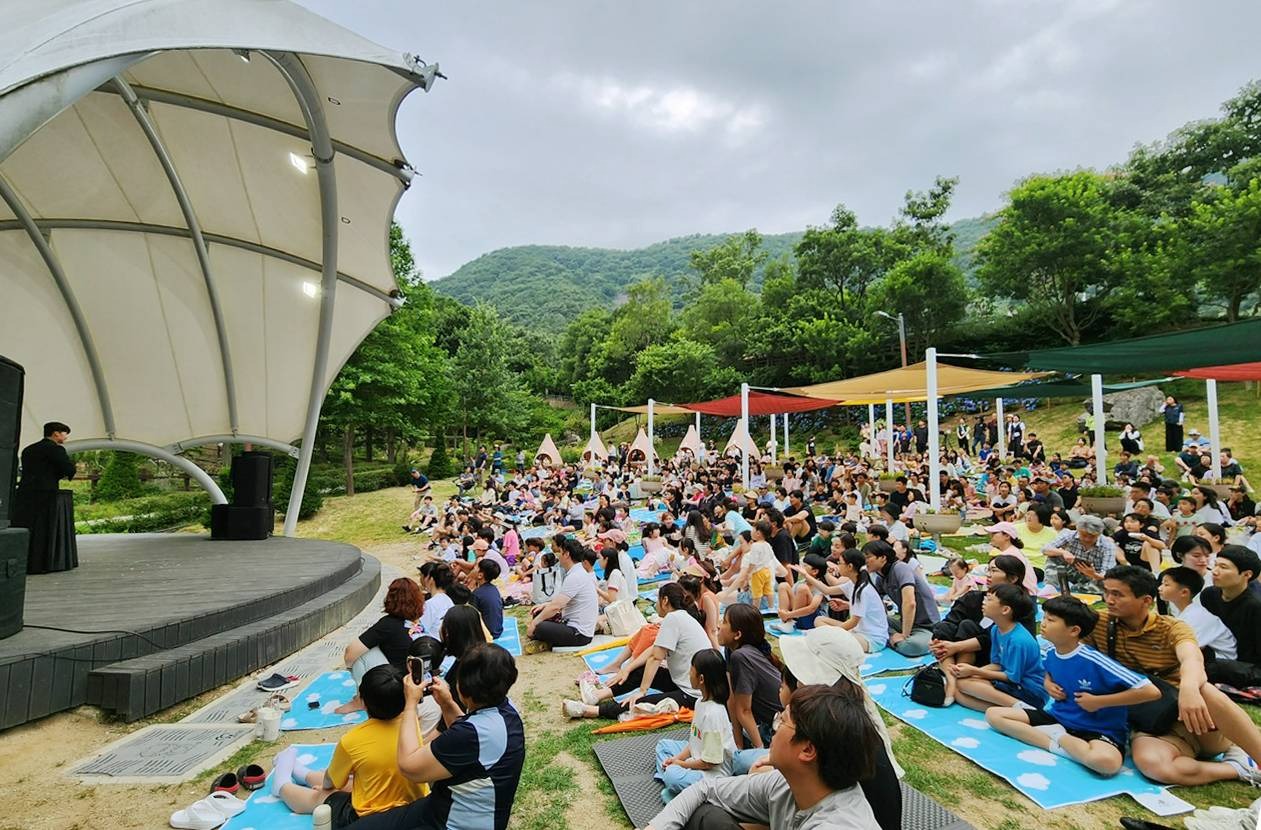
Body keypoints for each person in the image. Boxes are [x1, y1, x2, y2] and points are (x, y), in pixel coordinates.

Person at [1063, 566, 1261, 786]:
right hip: (1150, 721)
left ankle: (1254, 753)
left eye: (1118, 594)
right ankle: (1235, 768)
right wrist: (1051, 681)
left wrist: (1188, 689)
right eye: (1106, 592)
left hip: (1191, 715)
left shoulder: (1171, 627)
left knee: (1204, 689)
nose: (1109, 600)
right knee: (1154, 766)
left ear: (1146, 600)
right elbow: (1070, 654)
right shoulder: (1098, 623)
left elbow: (1192, 658)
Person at [644, 684, 882, 830]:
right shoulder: (783, 783)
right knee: (705, 816)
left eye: (783, 721)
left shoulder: (839, 824)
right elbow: (704, 790)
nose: (775, 727)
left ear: (807, 750)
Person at [353, 643, 524, 830]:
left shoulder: (470, 736)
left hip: (452, 823)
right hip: (449, 806)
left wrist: (410, 704)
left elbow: (409, 768)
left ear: (462, 687)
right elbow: (470, 740)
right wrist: (446, 702)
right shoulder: (507, 712)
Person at [985, 596, 1159, 776]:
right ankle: (1059, 743)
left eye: (1051, 620)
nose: (1043, 624)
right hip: (1059, 720)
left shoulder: (1095, 660)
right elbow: (1048, 673)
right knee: (994, 715)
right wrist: (1048, 684)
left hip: (1098, 729)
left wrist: (1099, 701)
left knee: (1106, 763)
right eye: (1044, 618)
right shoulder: (1051, 652)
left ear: (1074, 630)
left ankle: (1057, 737)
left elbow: (1151, 691)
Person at [269, 665, 428, 826]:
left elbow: (330, 781)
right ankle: (302, 772)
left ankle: (282, 784)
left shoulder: (352, 740)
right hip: (414, 808)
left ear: (363, 702)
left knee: (322, 796)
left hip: (371, 818)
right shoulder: (411, 723)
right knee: (355, 782)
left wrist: (326, 789)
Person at [564, 583, 710, 719]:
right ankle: (597, 695)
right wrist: (627, 669)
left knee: (642, 702)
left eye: (657, 600)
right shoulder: (678, 617)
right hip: (684, 682)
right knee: (641, 670)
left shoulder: (673, 618)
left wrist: (642, 691)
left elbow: (655, 658)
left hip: (693, 693)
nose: (655, 605)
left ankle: (589, 710)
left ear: (665, 600)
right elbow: (653, 650)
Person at [949, 583, 1046, 711]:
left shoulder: (1018, 640)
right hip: (1011, 683)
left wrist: (974, 671)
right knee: (959, 692)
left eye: (989, 599)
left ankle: (1020, 707)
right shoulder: (996, 629)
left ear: (1005, 610)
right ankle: (1019, 711)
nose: (983, 602)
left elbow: (1013, 677)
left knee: (964, 684)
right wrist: (969, 673)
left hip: (1030, 691)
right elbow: (998, 664)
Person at [334, 578, 425, 715]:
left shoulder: (388, 624)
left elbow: (350, 653)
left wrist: (351, 668)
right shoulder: (418, 624)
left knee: (364, 653)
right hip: (416, 684)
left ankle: (362, 699)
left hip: (395, 688)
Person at [655, 649, 738, 796]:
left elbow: (709, 763)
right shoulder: (700, 702)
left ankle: (677, 784)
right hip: (697, 757)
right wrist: (677, 759)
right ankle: (677, 783)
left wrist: (681, 764)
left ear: (701, 679)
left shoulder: (714, 714)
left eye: (691, 670)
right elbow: (694, 741)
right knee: (663, 746)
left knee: (673, 776)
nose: (688, 674)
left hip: (713, 775)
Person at [13, 421, 77, 573]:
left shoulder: (28, 450)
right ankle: (42, 563)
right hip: (46, 492)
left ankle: (24, 562)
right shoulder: (56, 449)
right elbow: (67, 468)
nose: (65, 437)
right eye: (64, 433)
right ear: (56, 433)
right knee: (44, 527)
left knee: (27, 525)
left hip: (25, 492)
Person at [718, 603, 782, 749]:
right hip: (767, 724)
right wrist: (738, 744)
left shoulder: (741, 657)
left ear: (737, 634)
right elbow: (732, 700)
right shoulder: (732, 650)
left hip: (782, 728)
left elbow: (744, 710)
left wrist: (758, 751)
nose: (719, 626)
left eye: (724, 622)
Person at [864, 539, 939, 657]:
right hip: (904, 623)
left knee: (913, 646)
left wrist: (904, 634)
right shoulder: (881, 577)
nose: (865, 561)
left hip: (926, 626)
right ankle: (892, 638)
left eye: (868, 557)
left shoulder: (900, 568)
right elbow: (874, 605)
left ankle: (889, 638)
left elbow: (910, 603)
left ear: (883, 558)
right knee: (867, 619)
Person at [1199, 545, 1261, 688]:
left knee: (1214, 668)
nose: (1215, 571)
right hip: (1218, 654)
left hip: (1249, 666)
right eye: (1215, 565)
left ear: (1247, 574)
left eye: (1224, 567)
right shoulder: (1209, 595)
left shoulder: (1255, 606)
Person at [526, 537, 598, 651]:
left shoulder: (575, 576)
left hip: (579, 634)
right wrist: (545, 605)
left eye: (560, 552)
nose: (558, 556)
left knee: (540, 627)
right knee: (539, 612)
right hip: (571, 623)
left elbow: (556, 607)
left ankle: (544, 640)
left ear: (566, 554)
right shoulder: (577, 572)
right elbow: (561, 600)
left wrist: (534, 624)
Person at [1158, 566, 1236, 662]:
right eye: (1162, 584)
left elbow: (1184, 647)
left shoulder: (1196, 617)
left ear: (1184, 592)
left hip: (1222, 664)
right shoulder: (1187, 612)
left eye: (1166, 585)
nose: (1160, 588)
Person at [1042, 514, 1117, 593]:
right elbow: (1045, 549)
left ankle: (1074, 589)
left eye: (1092, 536)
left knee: (1106, 584)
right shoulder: (1070, 535)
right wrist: (1063, 552)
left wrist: (1093, 574)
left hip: (1093, 578)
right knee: (1054, 556)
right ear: (1078, 530)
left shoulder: (1107, 545)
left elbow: (1108, 574)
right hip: (1070, 571)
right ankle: (1051, 586)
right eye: (1084, 535)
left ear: (1099, 534)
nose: (1087, 539)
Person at [417, 563, 456, 640]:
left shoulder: (430, 604)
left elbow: (419, 630)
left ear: (431, 579)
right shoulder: (448, 600)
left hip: (433, 645)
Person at [469, 559, 504, 639]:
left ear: (480, 575)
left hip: (486, 634)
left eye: (476, 568)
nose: (473, 569)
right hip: (497, 629)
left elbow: (471, 617)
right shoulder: (494, 588)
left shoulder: (476, 594)